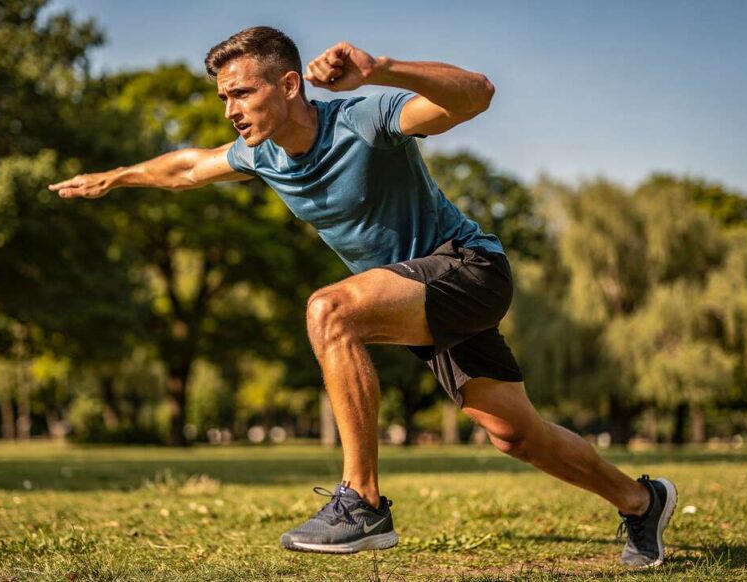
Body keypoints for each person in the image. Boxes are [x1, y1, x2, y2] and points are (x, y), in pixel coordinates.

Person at [49, 26, 677, 567]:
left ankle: (364, 503)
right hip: (414, 300)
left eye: (242, 92)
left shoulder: (362, 119)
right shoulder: (260, 154)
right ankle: (642, 501)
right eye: (223, 97)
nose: (230, 110)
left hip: (468, 269)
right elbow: (185, 168)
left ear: (290, 85)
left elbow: (477, 95)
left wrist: (382, 68)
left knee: (330, 310)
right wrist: (116, 177)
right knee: (515, 434)